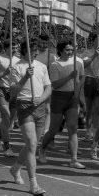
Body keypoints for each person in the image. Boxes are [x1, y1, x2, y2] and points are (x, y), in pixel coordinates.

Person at [8, 38, 51, 196]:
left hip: (39, 106)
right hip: (24, 106)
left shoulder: (42, 66)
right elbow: (13, 92)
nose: (35, 52)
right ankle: (34, 184)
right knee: (32, 143)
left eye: (36, 50)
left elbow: (48, 87)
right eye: (32, 50)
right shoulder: (16, 67)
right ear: (24, 50)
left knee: (30, 145)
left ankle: (15, 169)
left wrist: (42, 98)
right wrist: (26, 76)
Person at [38, 40, 85, 168]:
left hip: (72, 98)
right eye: (67, 50)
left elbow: (82, 77)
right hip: (59, 98)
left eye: (71, 49)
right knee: (54, 129)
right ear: (60, 51)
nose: (70, 52)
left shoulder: (78, 62)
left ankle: (74, 159)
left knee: (73, 128)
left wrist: (77, 90)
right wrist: (70, 77)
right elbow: (55, 84)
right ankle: (42, 149)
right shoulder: (55, 65)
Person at [0, 39, 20, 157]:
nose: (15, 50)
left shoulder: (19, 60)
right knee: (6, 117)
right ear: (6, 48)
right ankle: (7, 146)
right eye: (12, 48)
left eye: (16, 48)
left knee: (10, 121)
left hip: (15, 91)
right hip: (2, 90)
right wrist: (5, 73)